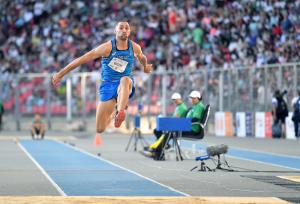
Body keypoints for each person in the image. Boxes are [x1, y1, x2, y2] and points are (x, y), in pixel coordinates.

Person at [52, 21, 152, 134]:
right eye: (121, 28)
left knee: (125, 79)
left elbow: (141, 56)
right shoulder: (107, 47)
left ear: (129, 31)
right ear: (115, 31)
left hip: (125, 85)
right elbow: (82, 59)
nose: (124, 30)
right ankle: (116, 113)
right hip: (108, 85)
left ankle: (120, 111)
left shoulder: (134, 47)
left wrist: (145, 66)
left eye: (126, 28)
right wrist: (61, 73)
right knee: (100, 128)